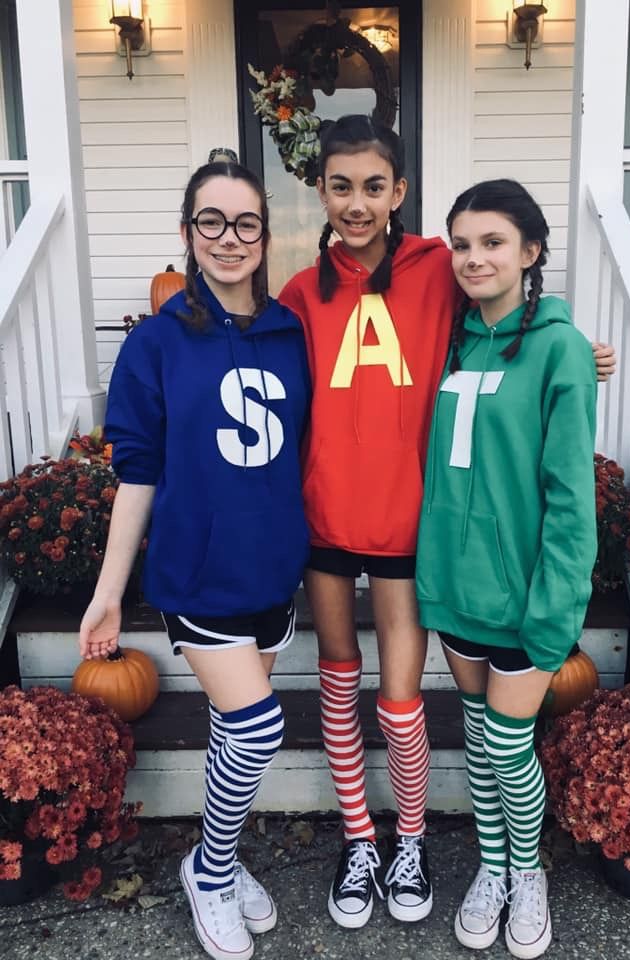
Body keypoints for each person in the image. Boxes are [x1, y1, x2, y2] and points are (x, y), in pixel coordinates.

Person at [279, 115, 614, 930]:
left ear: (400, 192)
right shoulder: (299, 291)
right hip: (326, 514)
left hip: (407, 526)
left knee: (400, 696)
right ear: (318, 191)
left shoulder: (437, 265)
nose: (356, 204)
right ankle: (361, 837)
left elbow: (511, 306)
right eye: (340, 186)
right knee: (336, 676)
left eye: (374, 186)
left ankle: (413, 839)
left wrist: (568, 338)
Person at [78, 161, 311, 960]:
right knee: (256, 728)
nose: (228, 239)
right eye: (210, 221)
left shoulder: (289, 333)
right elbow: (137, 472)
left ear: (264, 236)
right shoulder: (155, 342)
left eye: (245, 223)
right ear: (186, 233)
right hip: (198, 569)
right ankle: (209, 871)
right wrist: (110, 593)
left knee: (227, 732)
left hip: (272, 568)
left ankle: (220, 856)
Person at [415, 178, 598, 959]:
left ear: (530, 252)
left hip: (525, 595)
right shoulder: (450, 340)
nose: (472, 257)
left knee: (509, 746)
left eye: (492, 242)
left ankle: (528, 873)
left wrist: (556, 609)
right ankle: (491, 869)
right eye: (460, 243)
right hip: (454, 589)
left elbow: (570, 496)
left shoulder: (560, 347)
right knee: (482, 740)